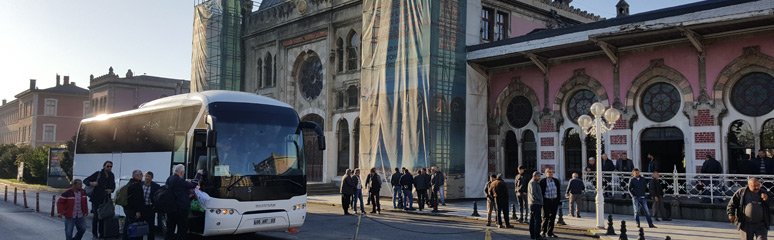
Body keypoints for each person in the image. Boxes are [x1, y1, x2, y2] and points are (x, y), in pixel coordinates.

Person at [84, 161, 116, 238]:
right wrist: (92, 183)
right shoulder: (98, 173)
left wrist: (111, 190)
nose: (109, 168)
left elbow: (113, 186)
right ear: (104, 166)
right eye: (107, 166)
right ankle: (94, 234)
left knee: (103, 216)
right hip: (96, 199)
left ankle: (101, 233)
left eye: (111, 166)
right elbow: (85, 180)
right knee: (96, 217)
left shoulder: (111, 175)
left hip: (106, 199)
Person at [165, 164, 193, 240]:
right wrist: (199, 174)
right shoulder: (179, 180)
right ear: (181, 172)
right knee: (182, 229)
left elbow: (178, 191)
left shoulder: (169, 178)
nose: (183, 174)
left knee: (170, 229)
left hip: (171, 208)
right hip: (180, 209)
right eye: (183, 172)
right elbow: (192, 185)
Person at [539, 168, 561, 238]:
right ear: (546, 173)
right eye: (548, 172)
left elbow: (558, 191)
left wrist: (558, 201)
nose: (550, 173)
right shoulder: (542, 181)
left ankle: (550, 232)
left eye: (551, 172)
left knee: (553, 217)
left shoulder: (556, 181)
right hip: (546, 201)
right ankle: (543, 231)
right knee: (545, 217)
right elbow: (541, 193)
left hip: (554, 201)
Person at [123, 170, 143, 240]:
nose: (142, 176)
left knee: (127, 225)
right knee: (133, 227)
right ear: (135, 176)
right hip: (133, 210)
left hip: (127, 208)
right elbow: (137, 200)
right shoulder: (137, 185)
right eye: (140, 175)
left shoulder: (129, 183)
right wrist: (138, 211)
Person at [528, 171, 544, 240]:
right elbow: (534, 193)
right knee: (537, 220)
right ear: (534, 176)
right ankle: (537, 235)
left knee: (533, 220)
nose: (539, 177)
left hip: (534, 203)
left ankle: (533, 235)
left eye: (540, 176)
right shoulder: (533, 183)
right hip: (535, 203)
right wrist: (540, 200)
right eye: (538, 176)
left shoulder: (535, 182)